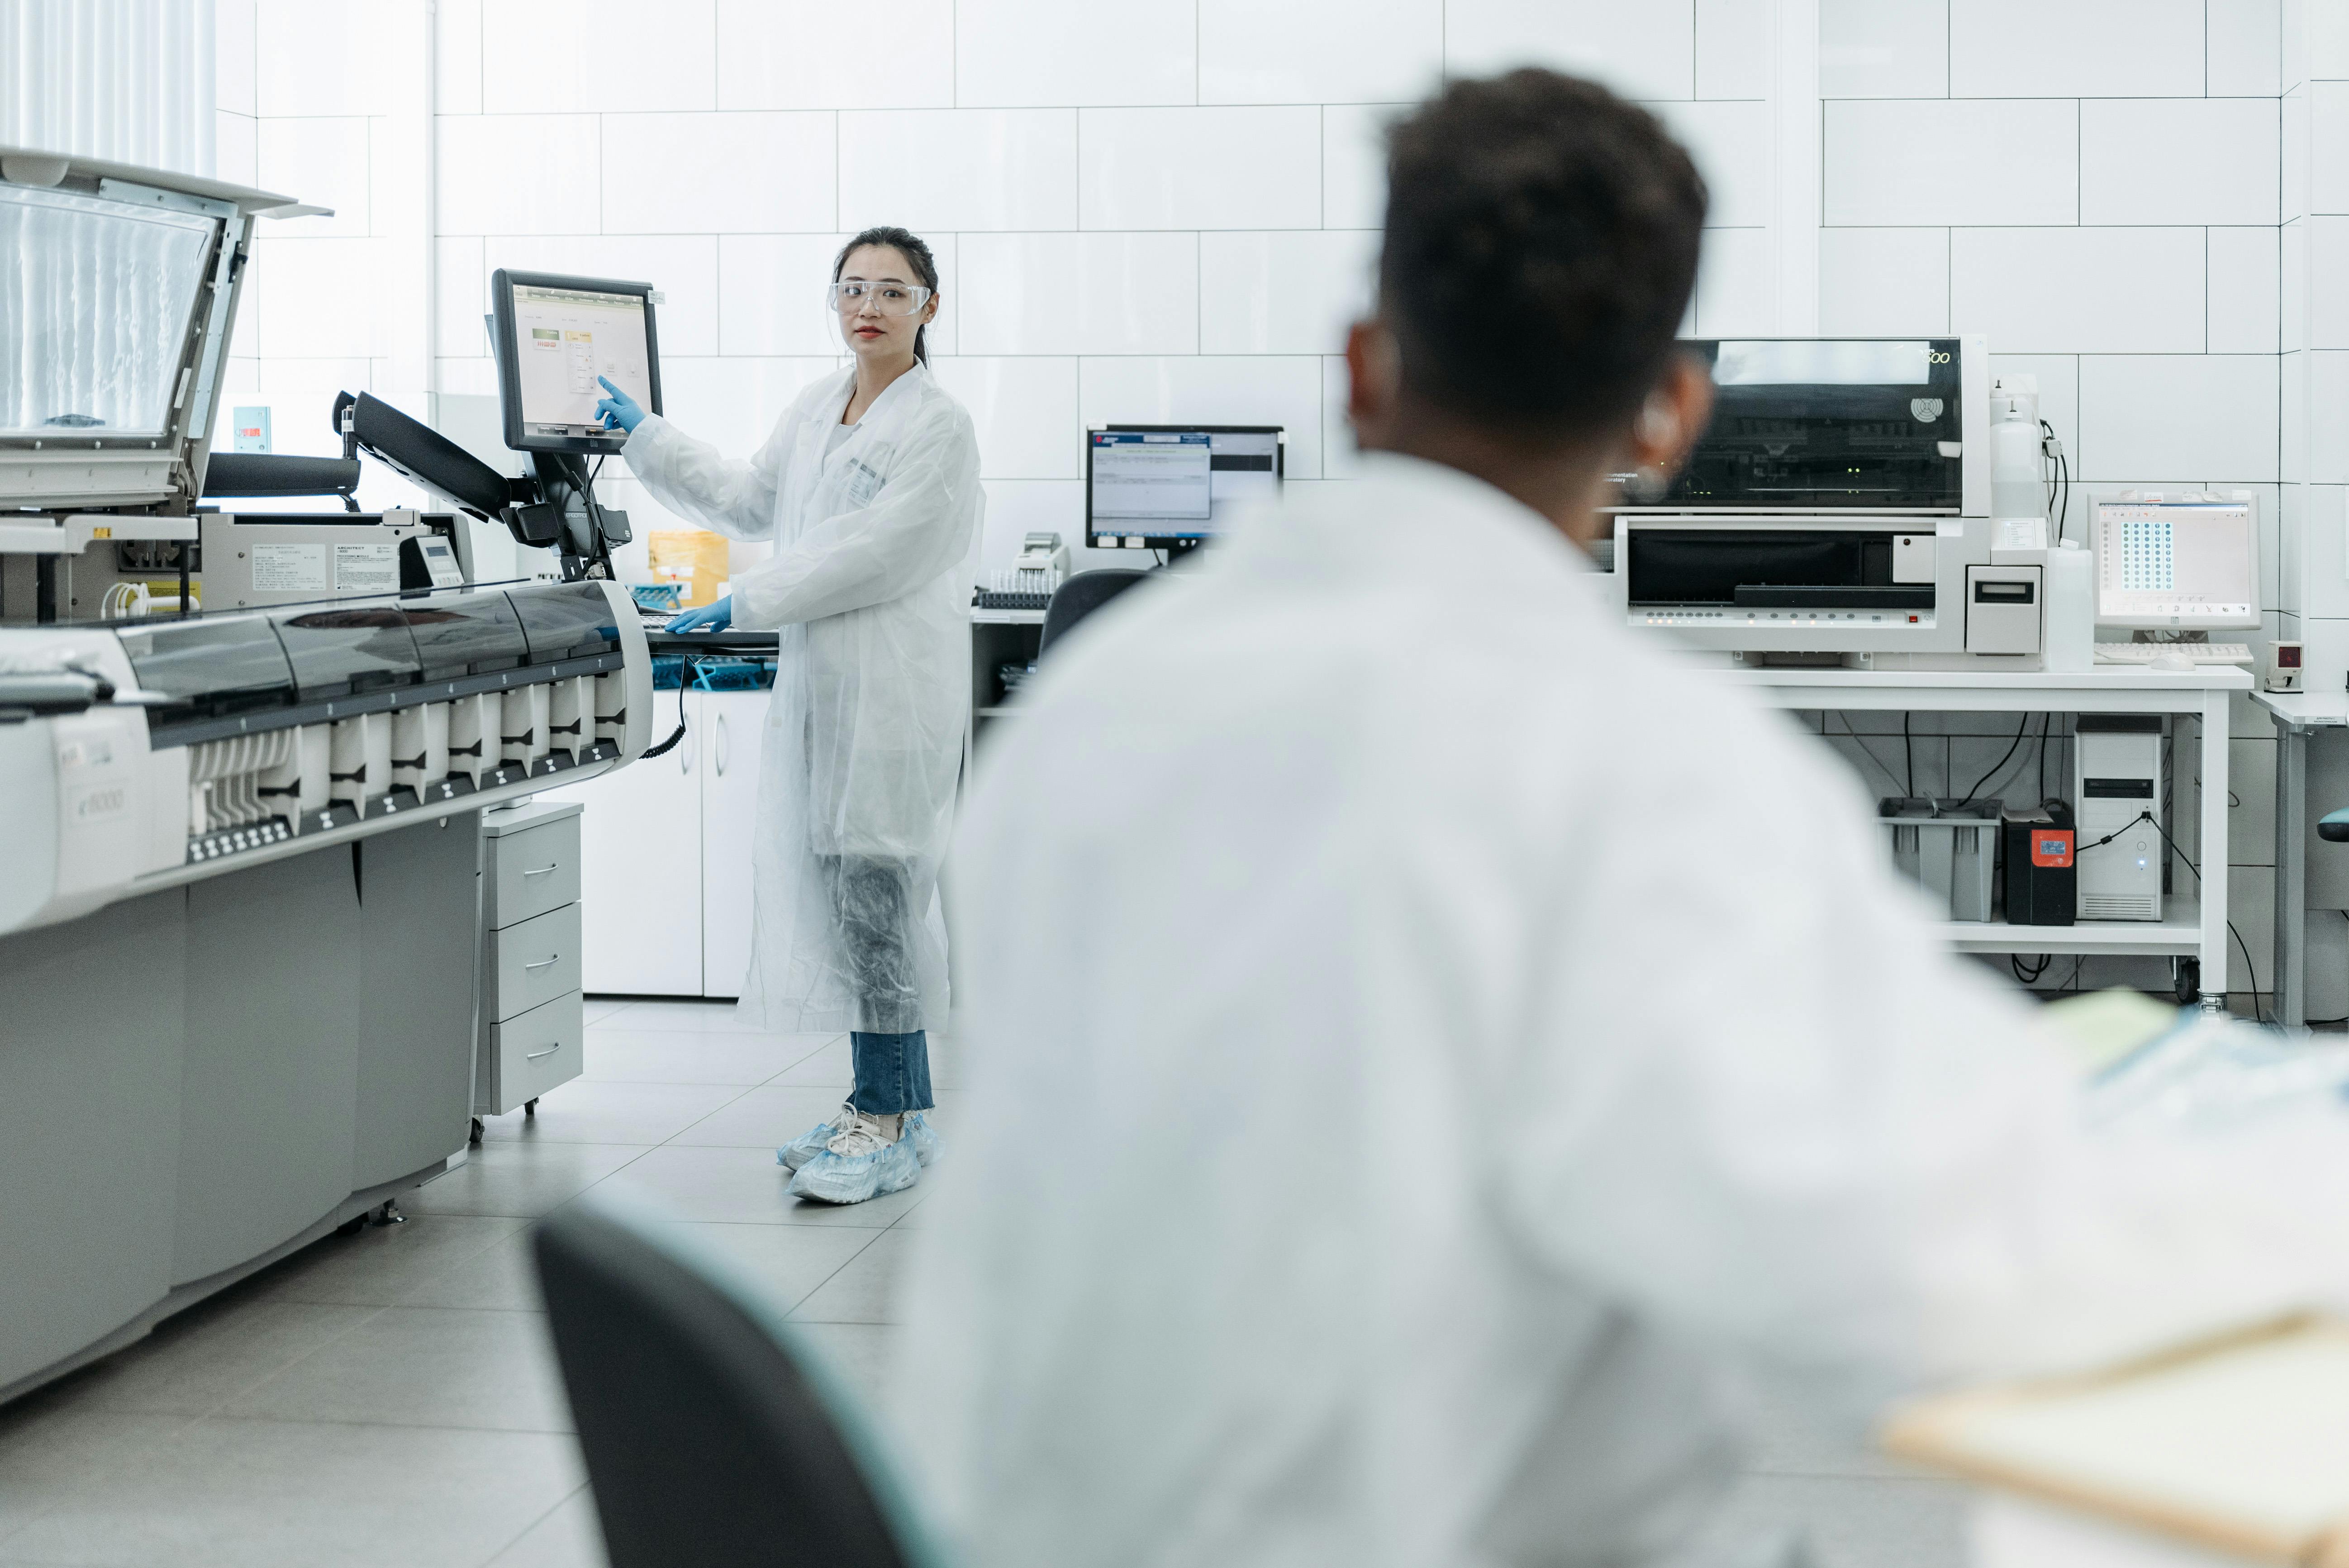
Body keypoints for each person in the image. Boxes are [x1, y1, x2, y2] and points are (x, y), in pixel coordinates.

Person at [893, 70, 2349, 1566]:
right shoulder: (1643, 764)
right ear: (1671, 412)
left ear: (1361, 367)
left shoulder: (1091, 702)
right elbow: (1944, 1264)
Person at [594, 226, 980, 1206]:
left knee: (880, 905)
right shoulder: (816, 408)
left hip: (891, 696)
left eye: (891, 290)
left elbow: (875, 551)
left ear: (929, 307)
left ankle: (883, 1120)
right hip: (825, 691)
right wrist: (646, 435)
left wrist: (749, 599)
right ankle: (894, 1108)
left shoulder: (938, 427)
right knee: (853, 906)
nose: (868, 306)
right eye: (852, 288)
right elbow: (747, 497)